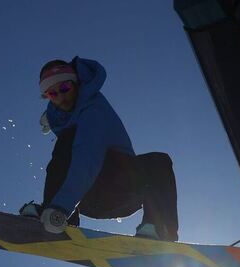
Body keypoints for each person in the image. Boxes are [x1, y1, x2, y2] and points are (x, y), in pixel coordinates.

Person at [19, 57, 179, 241]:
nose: (61, 97)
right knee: (65, 144)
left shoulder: (93, 111)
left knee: (158, 162)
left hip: (122, 190)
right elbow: (63, 160)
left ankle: (159, 229)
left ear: (77, 83)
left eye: (65, 88)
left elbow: (87, 157)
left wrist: (61, 205)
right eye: (53, 94)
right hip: (87, 200)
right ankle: (57, 217)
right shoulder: (58, 113)